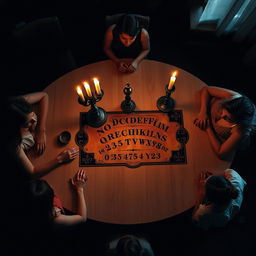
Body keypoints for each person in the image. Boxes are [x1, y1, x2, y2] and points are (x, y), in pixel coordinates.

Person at [7, 92, 79, 178]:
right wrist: (60, 159)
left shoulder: (18, 104)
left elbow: (44, 96)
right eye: (28, 123)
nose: (34, 120)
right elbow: (32, 172)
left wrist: (41, 129)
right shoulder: (12, 142)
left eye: (33, 114)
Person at [194, 86, 256, 160]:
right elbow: (206, 90)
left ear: (238, 122)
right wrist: (203, 111)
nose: (221, 116)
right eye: (222, 110)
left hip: (212, 140)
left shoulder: (241, 130)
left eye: (228, 118)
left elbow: (221, 153)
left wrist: (208, 128)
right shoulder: (233, 97)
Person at [22, 169, 87, 227]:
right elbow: (82, 218)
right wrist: (80, 189)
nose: (51, 186)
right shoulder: (55, 219)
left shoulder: (31, 202)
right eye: (50, 188)